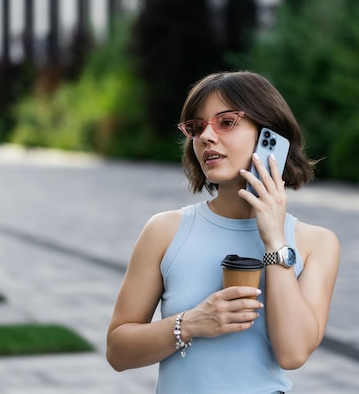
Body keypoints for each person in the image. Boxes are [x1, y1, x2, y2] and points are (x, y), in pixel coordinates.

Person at [106, 70, 340, 393]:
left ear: (268, 134)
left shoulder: (316, 244)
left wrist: (274, 239)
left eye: (226, 122)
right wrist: (190, 324)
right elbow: (118, 351)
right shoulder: (163, 231)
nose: (206, 137)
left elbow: (293, 353)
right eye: (197, 127)